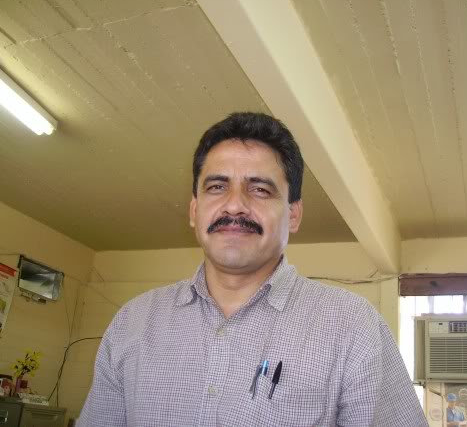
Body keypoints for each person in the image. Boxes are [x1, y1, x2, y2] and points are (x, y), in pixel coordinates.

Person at [77, 112, 427, 426]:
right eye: (217, 187)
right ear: (195, 210)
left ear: (293, 214)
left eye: (259, 189)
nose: (234, 205)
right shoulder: (132, 323)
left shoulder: (353, 328)